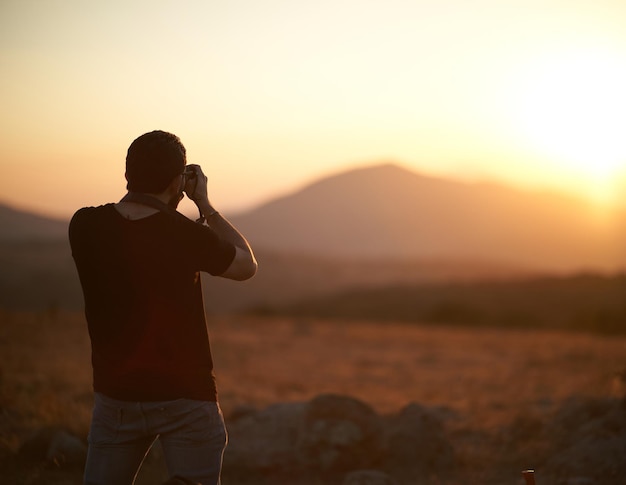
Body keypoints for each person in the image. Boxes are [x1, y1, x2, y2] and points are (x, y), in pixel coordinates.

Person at [69, 130, 257, 485]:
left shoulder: (84, 225)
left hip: (116, 397)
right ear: (178, 181)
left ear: (127, 173)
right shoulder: (186, 234)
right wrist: (204, 204)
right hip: (187, 397)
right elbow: (246, 265)